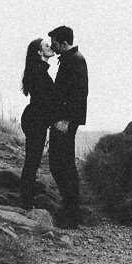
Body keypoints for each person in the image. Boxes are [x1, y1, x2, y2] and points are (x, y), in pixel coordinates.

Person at [46, 25, 88, 226]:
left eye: (54, 42)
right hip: (61, 121)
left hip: (65, 122)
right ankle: (70, 209)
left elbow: (79, 95)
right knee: (60, 164)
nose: (52, 46)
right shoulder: (70, 59)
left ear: (64, 43)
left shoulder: (75, 60)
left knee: (63, 164)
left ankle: (71, 213)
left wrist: (68, 121)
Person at [17, 34, 57, 209]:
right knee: (32, 160)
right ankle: (26, 202)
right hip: (35, 119)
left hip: (35, 118)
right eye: (46, 45)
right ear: (40, 51)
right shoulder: (38, 71)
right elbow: (43, 101)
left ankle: (27, 199)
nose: (50, 46)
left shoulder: (39, 69)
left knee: (32, 160)